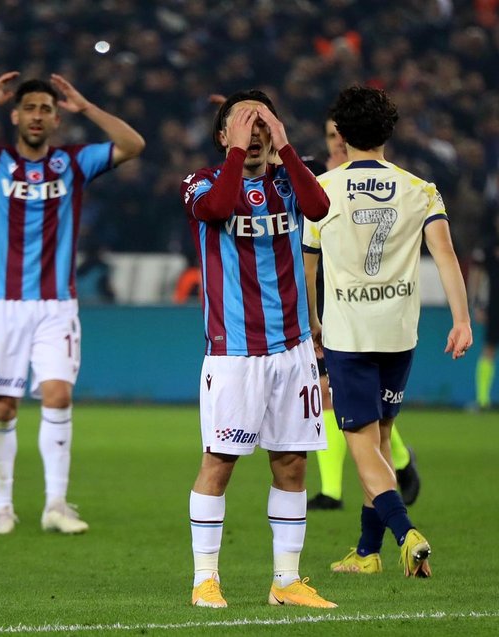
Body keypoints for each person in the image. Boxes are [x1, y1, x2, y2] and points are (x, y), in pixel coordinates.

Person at [0, 71, 145, 535]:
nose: (38, 116)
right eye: (30, 108)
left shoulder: (74, 163)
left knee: (58, 394)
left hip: (56, 304)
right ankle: (2, 507)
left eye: (46, 109)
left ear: (56, 118)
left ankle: (56, 505)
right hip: (2, 304)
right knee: (3, 407)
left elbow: (133, 145)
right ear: (16, 116)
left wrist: (87, 108)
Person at [303, 85, 472, 577]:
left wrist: (312, 322)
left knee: (363, 449)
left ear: (341, 134)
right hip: (400, 333)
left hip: (349, 336)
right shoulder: (421, 189)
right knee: (379, 444)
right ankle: (365, 553)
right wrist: (462, 319)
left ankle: (406, 534)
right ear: (389, 131)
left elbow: (307, 267)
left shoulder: (322, 190)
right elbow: (446, 254)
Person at [180, 89, 336, 609]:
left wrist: (284, 146)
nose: (253, 135)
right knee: (219, 461)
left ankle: (285, 582)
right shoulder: (201, 182)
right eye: (243, 125)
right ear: (223, 135)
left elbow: (320, 208)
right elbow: (218, 208)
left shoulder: (291, 179)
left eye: (261, 125)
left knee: (292, 464)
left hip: (292, 349)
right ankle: (205, 579)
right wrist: (237, 150)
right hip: (233, 353)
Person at [303, 119, 421, 511]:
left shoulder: (380, 183)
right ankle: (336, 490)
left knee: (357, 403)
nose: (338, 142)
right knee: (329, 393)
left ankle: (394, 461)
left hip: (368, 305)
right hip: (326, 297)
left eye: (342, 135)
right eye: (331, 136)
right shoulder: (316, 177)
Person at [468, 209, 499, 409]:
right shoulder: (488, 246)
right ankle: (482, 399)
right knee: (489, 348)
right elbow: (477, 275)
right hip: (494, 306)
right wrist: (476, 304)